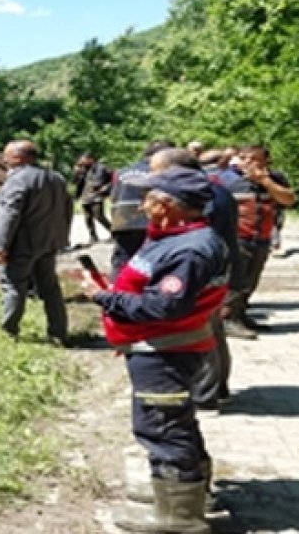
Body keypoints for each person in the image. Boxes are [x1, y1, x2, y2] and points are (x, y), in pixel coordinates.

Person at [80, 167, 228, 533]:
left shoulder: (191, 249)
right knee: (175, 421)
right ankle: (185, 494)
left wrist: (103, 297)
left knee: (162, 426)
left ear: (166, 205)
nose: (142, 205)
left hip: (166, 351)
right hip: (161, 346)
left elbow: (164, 307)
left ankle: (179, 518)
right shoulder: (173, 236)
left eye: (148, 198)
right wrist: (116, 289)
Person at [150, 149, 238, 410]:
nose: (153, 176)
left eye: (156, 170)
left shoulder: (200, 196)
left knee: (201, 329)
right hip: (216, 268)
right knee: (213, 329)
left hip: (205, 271)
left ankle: (204, 394)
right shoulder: (215, 188)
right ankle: (217, 386)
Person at [0, 140, 72, 344]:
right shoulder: (57, 178)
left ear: (18, 158)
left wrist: (0, 246)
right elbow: (67, 210)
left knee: (12, 285)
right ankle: (58, 333)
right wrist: (61, 238)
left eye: (6, 155)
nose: (3, 159)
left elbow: (9, 214)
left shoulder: (18, 180)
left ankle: (8, 333)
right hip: (49, 243)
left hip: (23, 244)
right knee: (50, 288)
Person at [218, 144, 297, 336]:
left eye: (253, 159)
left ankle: (240, 314)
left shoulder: (275, 178)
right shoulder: (227, 179)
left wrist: (265, 182)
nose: (247, 163)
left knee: (250, 280)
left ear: (265, 161)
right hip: (236, 238)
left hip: (261, 237)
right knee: (234, 281)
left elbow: (289, 200)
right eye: (243, 158)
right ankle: (226, 318)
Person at [110, 140, 174, 276]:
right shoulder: (159, 170)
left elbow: (113, 195)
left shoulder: (121, 171)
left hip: (121, 221)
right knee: (150, 259)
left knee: (122, 259)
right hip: (148, 221)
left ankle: (116, 289)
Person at [73, 153, 113, 243]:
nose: (83, 162)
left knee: (99, 216)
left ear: (91, 159)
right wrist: (76, 172)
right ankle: (93, 237)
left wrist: (107, 187)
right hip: (85, 195)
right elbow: (76, 181)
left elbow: (114, 178)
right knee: (88, 218)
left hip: (97, 195)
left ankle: (114, 233)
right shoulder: (82, 169)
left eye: (84, 160)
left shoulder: (102, 167)